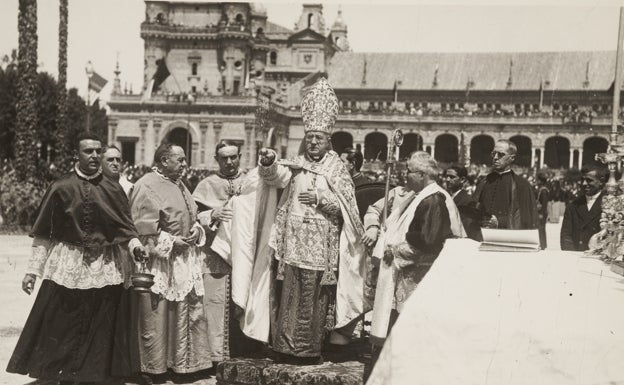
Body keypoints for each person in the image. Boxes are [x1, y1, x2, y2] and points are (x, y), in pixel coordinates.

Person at [6, 132, 145, 385]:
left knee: (100, 323)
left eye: (97, 151)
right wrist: (32, 272)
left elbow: (126, 228)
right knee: (62, 322)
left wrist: (136, 246)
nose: (94, 156)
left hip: (103, 266)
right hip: (68, 264)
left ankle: (92, 376)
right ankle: (61, 373)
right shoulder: (60, 187)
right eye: (88, 151)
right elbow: (44, 235)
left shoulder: (113, 188)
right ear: (76, 155)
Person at [256, 77, 366, 363]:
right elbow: (275, 178)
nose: (313, 143)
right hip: (292, 243)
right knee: (289, 292)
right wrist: (268, 162)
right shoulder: (297, 162)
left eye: (319, 138)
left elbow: (347, 211)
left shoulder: (337, 169)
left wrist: (321, 201)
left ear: (329, 140)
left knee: (312, 297)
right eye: (310, 138)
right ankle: (284, 346)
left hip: (321, 248)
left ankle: (308, 350)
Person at [365, 151, 464, 380]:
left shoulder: (433, 199)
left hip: (415, 278)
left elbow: (428, 242)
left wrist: (394, 250)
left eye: (409, 171)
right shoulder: (419, 195)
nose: (405, 175)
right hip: (404, 274)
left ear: (421, 174)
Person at [125, 142, 212, 379]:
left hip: (184, 259)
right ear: (164, 161)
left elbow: (191, 215)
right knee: (157, 315)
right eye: (180, 160)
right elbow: (142, 230)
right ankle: (153, 368)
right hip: (161, 262)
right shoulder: (146, 185)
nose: (185, 164)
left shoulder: (179, 183)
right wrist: (172, 242)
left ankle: (181, 365)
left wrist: (196, 230)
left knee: (186, 312)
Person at [191, 141, 257, 362]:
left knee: (245, 301)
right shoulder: (206, 184)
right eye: (224, 158)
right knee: (215, 304)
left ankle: (245, 350)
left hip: (245, 253)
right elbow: (193, 218)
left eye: (233, 157)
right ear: (216, 159)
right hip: (214, 255)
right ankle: (215, 355)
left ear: (240, 156)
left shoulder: (251, 182)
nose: (229, 162)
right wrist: (211, 215)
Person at [473, 139, 539, 237]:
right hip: (482, 237)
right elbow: (474, 210)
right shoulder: (484, 182)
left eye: (501, 155)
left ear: (512, 158)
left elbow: (526, 219)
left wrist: (500, 222)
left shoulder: (522, 185)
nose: (495, 158)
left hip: (507, 239)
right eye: (493, 154)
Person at [560, 162, 608, 251]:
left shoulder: (610, 205)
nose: (584, 183)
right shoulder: (573, 206)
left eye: (589, 180)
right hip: (577, 257)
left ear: (601, 181)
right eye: (582, 179)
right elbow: (566, 237)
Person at [443, 165, 482, 241]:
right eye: (446, 176)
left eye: (452, 177)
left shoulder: (468, 201)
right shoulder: (444, 197)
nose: (447, 179)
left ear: (462, 179)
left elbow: (467, 229)